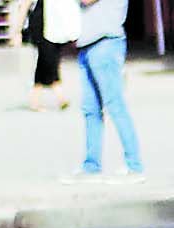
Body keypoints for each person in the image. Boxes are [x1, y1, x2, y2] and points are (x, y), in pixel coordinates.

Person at [71, 0, 142, 181]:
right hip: (88, 43)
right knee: (90, 109)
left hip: (105, 43)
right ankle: (91, 164)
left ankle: (134, 164)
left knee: (114, 105)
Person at [24, 0, 76, 112]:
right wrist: (17, 30)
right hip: (41, 27)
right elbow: (25, 4)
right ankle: (60, 96)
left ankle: (35, 100)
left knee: (44, 62)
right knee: (49, 60)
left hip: (55, 27)